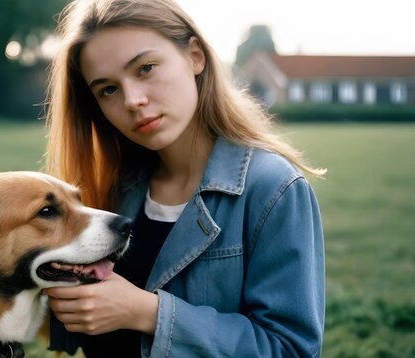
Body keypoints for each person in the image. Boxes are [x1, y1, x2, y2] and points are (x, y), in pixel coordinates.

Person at [43, 0, 326, 356]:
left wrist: (147, 313)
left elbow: (290, 349)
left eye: (145, 68)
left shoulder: (274, 189)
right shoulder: (110, 188)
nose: (133, 100)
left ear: (195, 56)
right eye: (108, 89)